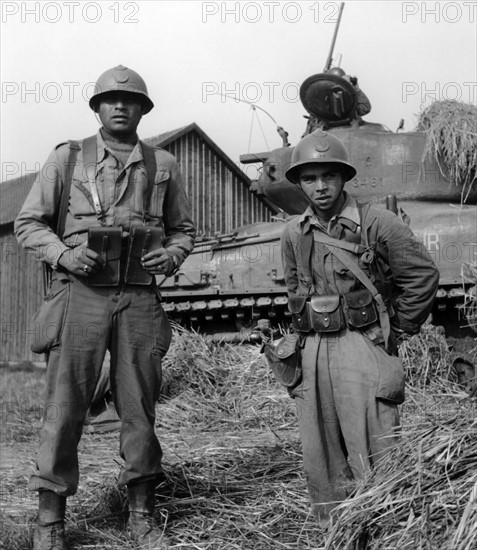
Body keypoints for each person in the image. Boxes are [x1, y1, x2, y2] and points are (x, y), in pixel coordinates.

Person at [15, 65, 196, 550]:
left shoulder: (164, 164)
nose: (120, 106)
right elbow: (28, 223)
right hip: (80, 296)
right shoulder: (67, 159)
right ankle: (50, 522)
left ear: (142, 109)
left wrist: (172, 254)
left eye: (130, 100)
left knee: (139, 408)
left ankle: (142, 515)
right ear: (97, 108)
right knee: (65, 406)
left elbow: (184, 230)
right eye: (111, 100)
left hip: (139, 298)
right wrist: (64, 254)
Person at [280, 129, 439, 526]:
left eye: (328, 176)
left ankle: (386, 525)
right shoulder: (292, 232)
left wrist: (397, 329)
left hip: (362, 344)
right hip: (314, 348)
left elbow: (421, 277)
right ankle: (335, 529)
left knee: (375, 443)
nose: (320, 187)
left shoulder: (378, 223)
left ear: (343, 178)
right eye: (310, 178)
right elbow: (295, 289)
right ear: (299, 183)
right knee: (321, 450)